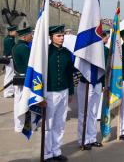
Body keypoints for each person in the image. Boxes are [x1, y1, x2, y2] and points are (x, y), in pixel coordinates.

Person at [44, 25, 74, 161]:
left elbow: (69, 74)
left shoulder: (67, 53)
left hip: (64, 91)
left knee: (60, 123)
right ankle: (47, 153)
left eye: (62, 36)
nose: (61, 38)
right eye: (58, 36)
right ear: (51, 37)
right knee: (49, 124)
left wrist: (71, 91)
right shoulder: (45, 52)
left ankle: (56, 150)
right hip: (50, 92)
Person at [77, 32, 108, 149]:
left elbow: (104, 68)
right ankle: (83, 139)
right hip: (86, 83)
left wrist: (104, 84)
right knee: (84, 112)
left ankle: (92, 137)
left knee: (94, 112)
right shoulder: (85, 49)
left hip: (98, 82)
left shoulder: (105, 50)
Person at [11, 26, 32, 132]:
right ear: (25, 36)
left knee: (18, 102)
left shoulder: (16, 46)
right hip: (24, 79)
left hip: (19, 76)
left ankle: (19, 125)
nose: (31, 36)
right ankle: (21, 125)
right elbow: (29, 64)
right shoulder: (24, 48)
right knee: (22, 102)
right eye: (30, 35)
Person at [97, 30, 110, 120]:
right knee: (100, 97)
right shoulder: (105, 50)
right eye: (106, 38)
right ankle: (99, 115)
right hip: (102, 76)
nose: (107, 40)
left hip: (99, 76)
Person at [3, 25, 17, 98]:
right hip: (9, 59)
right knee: (9, 75)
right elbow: (9, 51)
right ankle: (8, 92)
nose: (16, 32)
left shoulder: (10, 38)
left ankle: (10, 91)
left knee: (10, 75)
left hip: (9, 59)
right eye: (15, 31)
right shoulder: (9, 40)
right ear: (11, 32)